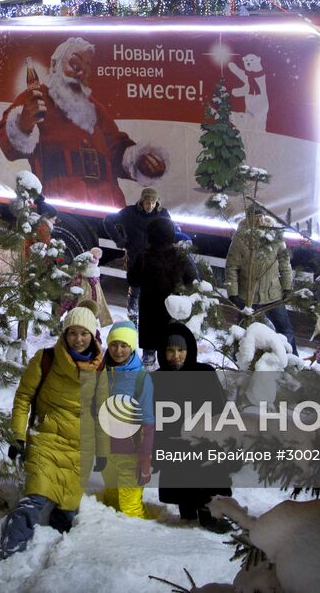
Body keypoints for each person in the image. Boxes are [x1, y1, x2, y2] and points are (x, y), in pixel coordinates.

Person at [0, 37, 167, 208]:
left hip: (108, 204)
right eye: (75, 65)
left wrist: (142, 162)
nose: (81, 73)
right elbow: (9, 146)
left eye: (86, 69)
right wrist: (23, 124)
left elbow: (116, 149)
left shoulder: (93, 108)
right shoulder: (35, 99)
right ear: (55, 64)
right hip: (61, 204)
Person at [0, 304, 105, 560]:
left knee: (66, 512)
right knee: (34, 498)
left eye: (84, 333)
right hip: (46, 439)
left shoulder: (102, 369)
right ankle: (8, 556)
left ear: (93, 335)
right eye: (72, 333)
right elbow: (23, 397)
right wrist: (18, 435)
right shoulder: (46, 359)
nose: (78, 339)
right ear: (64, 334)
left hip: (79, 450)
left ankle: (55, 560)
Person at [154, 321, 233, 532]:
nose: (176, 355)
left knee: (207, 479)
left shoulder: (204, 372)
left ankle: (210, 513)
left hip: (204, 440)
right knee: (182, 486)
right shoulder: (158, 378)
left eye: (181, 350)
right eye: (170, 350)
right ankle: (187, 509)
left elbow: (220, 407)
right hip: (174, 443)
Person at [93, 321, 154, 519]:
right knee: (112, 502)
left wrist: (145, 459)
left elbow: (148, 421)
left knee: (130, 509)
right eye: (114, 344)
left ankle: (141, 546)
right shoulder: (99, 372)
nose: (118, 350)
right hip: (106, 452)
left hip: (131, 453)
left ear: (132, 347)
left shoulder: (141, 378)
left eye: (124, 345)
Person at [225, 210, 297, 353]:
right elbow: (231, 266)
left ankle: (291, 360)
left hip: (273, 294)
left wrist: (287, 287)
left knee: (285, 329)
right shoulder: (240, 238)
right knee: (243, 331)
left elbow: (284, 263)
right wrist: (233, 293)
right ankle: (240, 362)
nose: (260, 220)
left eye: (262, 216)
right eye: (256, 217)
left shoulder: (275, 236)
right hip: (248, 296)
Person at [132, 217, 196, 369]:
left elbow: (133, 279)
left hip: (150, 309)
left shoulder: (144, 256)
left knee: (150, 344)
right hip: (173, 311)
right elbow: (193, 280)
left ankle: (148, 365)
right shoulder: (181, 256)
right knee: (170, 346)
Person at [106, 187, 173, 323]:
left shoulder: (162, 214)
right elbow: (108, 221)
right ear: (142, 201)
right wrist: (120, 241)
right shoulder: (129, 213)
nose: (150, 206)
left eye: (153, 203)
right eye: (148, 203)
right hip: (135, 258)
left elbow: (171, 230)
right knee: (135, 290)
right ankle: (133, 316)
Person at [55, 248, 114, 326]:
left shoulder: (78, 280)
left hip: (75, 316)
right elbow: (101, 301)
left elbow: (68, 299)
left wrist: (58, 313)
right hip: (89, 318)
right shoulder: (96, 281)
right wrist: (105, 319)